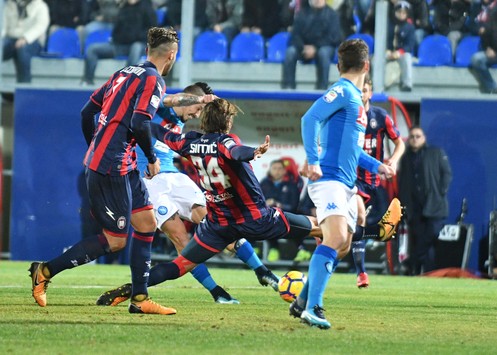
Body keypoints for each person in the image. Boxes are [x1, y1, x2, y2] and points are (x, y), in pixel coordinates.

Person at [99, 98, 325, 311]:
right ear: (227, 122)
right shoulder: (228, 141)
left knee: (181, 264)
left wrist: (140, 121)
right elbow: (234, 152)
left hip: (219, 225)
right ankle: (350, 245)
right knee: (319, 227)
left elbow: (163, 134)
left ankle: (135, 289)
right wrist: (253, 152)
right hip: (255, 218)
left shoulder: (190, 142)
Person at [29, 27, 180, 315]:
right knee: (115, 241)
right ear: (171, 55)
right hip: (112, 165)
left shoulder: (123, 72)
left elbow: (87, 112)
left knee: (147, 223)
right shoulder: (153, 79)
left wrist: (95, 146)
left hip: (118, 162)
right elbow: (139, 122)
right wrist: (151, 157)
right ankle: (44, 271)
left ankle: (140, 300)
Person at [293, 38, 397, 329]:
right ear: (367, 65)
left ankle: (302, 300)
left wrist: (377, 166)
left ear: (338, 64)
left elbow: (352, 148)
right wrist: (312, 159)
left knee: (342, 245)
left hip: (344, 182)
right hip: (328, 179)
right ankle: (313, 308)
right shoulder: (343, 92)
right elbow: (309, 118)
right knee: (336, 239)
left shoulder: (354, 98)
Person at [351, 74, 405, 288]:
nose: (361, 94)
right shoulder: (347, 116)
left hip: (372, 183)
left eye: (364, 90)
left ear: (370, 93)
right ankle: (362, 273)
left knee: (351, 231)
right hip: (349, 178)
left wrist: (393, 159)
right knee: (359, 217)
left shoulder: (380, 117)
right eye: (358, 90)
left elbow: (399, 143)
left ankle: (324, 239)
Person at [398, 126, 452, 275]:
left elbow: (447, 174)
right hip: (414, 207)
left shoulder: (435, 153)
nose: (415, 139)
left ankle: (412, 261)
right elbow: (403, 183)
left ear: (424, 138)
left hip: (434, 206)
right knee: (419, 240)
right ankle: (423, 272)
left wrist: (440, 192)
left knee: (431, 236)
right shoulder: (406, 157)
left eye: (418, 136)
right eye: (412, 136)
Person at [81, 0, 157, 85]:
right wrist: (117, 39)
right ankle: (88, 80)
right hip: (120, 45)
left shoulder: (148, 9)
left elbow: (152, 31)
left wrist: (135, 37)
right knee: (92, 49)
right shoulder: (123, 9)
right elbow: (116, 31)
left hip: (140, 45)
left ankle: (127, 82)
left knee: (136, 47)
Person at [281, 0, 342, 90]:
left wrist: (315, 48)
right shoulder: (302, 14)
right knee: (290, 52)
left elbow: (334, 38)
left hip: (323, 47)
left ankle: (322, 89)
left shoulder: (332, 15)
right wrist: (303, 47)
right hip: (303, 48)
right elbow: (295, 35)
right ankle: (288, 88)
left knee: (324, 53)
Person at [260, 159, 301, 262]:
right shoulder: (264, 184)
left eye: (280, 168)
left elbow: (293, 206)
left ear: (284, 171)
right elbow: (257, 203)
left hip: (287, 216)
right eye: (274, 168)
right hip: (269, 217)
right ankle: (263, 248)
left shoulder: (292, 185)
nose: (277, 171)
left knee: (296, 222)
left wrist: (279, 205)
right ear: (270, 170)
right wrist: (266, 203)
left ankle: (302, 249)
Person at [2, 0, 50, 83]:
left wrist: (25, 38)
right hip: (11, 38)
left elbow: (41, 26)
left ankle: (24, 85)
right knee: (2, 47)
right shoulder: (9, 5)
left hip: (33, 40)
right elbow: (3, 26)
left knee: (23, 50)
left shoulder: (40, 5)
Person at [386, 1, 415, 92]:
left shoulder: (409, 27)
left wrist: (399, 52)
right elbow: (384, 39)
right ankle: (374, 82)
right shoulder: (388, 24)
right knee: (376, 59)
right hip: (388, 52)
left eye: (403, 13)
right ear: (395, 12)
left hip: (401, 53)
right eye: (399, 12)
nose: (401, 15)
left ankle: (406, 83)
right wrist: (387, 50)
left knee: (407, 57)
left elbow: (410, 45)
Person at [469, 6, 497, 94]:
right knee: (476, 59)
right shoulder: (492, 21)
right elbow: (485, 36)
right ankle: (492, 87)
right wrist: (488, 48)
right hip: (493, 53)